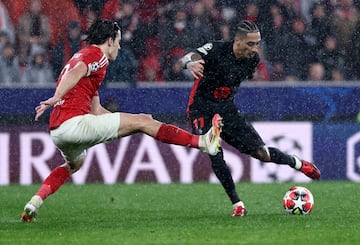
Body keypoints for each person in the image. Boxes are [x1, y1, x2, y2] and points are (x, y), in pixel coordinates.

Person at [20, 19, 223, 222]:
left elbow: (97, 110)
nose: (119, 46)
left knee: (75, 164)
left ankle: (33, 203)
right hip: (75, 124)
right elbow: (77, 71)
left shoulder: (82, 57)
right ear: (110, 40)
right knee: (144, 121)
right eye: (118, 41)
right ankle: (202, 142)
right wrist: (56, 97)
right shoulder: (96, 55)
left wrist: (131, 122)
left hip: (58, 132)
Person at [179, 20, 321, 217]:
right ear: (237, 40)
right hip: (201, 109)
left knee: (262, 153)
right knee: (213, 149)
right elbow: (188, 56)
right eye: (251, 44)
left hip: (226, 109)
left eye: (257, 44)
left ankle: (297, 163)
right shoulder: (217, 49)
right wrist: (191, 62)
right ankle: (237, 204)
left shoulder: (252, 60)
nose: (255, 49)